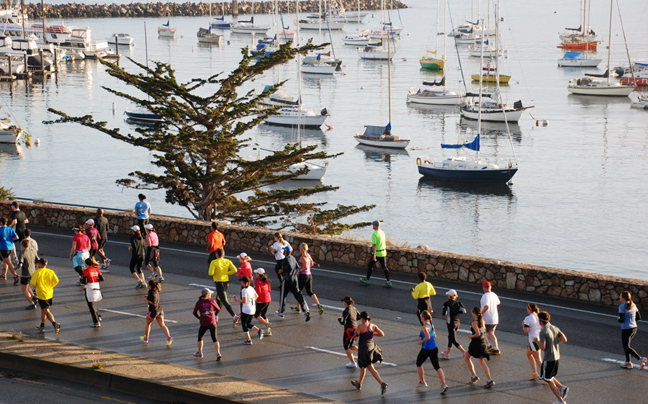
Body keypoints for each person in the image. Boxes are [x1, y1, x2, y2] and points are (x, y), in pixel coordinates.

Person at [535, 311, 569, 403]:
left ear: (540, 321)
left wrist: (536, 341)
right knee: (550, 376)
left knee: (548, 380)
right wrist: (554, 343)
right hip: (557, 357)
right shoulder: (555, 328)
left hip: (549, 359)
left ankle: (560, 400)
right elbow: (564, 339)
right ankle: (562, 387)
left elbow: (542, 347)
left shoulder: (543, 332)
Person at [350, 311, 388, 395]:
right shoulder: (373, 326)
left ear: (362, 318)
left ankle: (382, 383)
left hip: (364, 348)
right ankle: (359, 384)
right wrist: (372, 334)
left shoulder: (360, 327)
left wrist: (354, 335)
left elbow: (356, 338)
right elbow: (382, 334)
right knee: (363, 367)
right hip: (371, 346)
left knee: (370, 367)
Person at [416, 310, 448, 394]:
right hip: (434, 348)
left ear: (422, 317)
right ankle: (444, 384)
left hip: (426, 349)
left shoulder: (424, 327)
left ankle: (423, 382)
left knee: (418, 363)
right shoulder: (430, 324)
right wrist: (422, 335)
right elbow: (432, 335)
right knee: (437, 366)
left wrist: (421, 341)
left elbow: (428, 337)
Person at [276, 246, 310, 321]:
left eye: (284, 251)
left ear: (286, 252)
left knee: (283, 296)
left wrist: (282, 270)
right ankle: (305, 310)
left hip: (287, 280)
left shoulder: (285, 259)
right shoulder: (293, 258)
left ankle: (281, 312)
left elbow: (289, 267)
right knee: (298, 294)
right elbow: (297, 266)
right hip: (294, 280)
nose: (283, 252)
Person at [207, 248, 239, 326]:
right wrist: (226, 273)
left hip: (219, 282)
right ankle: (216, 315)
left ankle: (234, 316)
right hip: (226, 282)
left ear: (217, 254)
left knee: (224, 300)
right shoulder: (228, 261)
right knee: (219, 298)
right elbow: (235, 270)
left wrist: (217, 273)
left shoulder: (214, 262)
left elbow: (210, 273)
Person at [465, 307, 494, 389]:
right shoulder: (482, 321)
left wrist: (471, 336)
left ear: (474, 313)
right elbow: (483, 333)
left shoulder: (474, 323)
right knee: (482, 360)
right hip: (482, 342)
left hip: (475, 343)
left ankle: (474, 376)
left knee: (467, 358)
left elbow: (477, 334)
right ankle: (489, 379)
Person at [31, 258, 61, 335]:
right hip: (49, 293)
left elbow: (32, 283)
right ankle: (42, 325)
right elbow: (56, 280)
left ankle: (55, 324)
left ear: (40, 264)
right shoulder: (50, 271)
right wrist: (51, 286)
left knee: (46, 311)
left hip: (41, 294)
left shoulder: (37, 272)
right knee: (43, 310)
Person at [618, 291, 647, 370]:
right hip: (634, 328)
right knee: (627, 345)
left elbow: (621, 319)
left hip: (626, 329)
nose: (619, 297)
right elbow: (638, 317)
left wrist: (618, 319)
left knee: (626, 346)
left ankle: (640, 359)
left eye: (620, 296)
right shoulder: (633, 305)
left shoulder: (621, 306)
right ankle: (628, 362)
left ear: (623, 298)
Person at [293, 243, 324, 315]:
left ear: (301, 249)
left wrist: (299, 271)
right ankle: (318, 305)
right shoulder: (308, 255)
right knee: (310, 292)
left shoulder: (303, 257)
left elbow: (305, 267)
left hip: (303, 276)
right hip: (309, 275)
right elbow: (311, 264)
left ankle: (298, 308)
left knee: (298, 292)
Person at [359, 220, 391, 288]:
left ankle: (367, 280)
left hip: (377, 253)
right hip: (383, 252)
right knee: (384, 267)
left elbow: (374, 245)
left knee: (370, 265)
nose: (372, 226)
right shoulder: (382, 232)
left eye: (373, 225)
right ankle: (388, 281)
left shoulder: (375, 234)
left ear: (375, 226)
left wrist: (374, 255)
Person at [192, 288, 222, 361]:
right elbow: (218, 308)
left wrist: (200, 317)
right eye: (210, 294)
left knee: (200, 337)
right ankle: (218, 353)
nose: (211, 295)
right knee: (215, 338)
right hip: (212, 322)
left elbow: (194, 312)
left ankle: (200, 353)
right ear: (207, 295)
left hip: (203, 323)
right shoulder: (211, 301)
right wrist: (211, 311)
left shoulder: (199, 302)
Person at [140, 280, 173, 346]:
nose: (147, 285)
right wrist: (148, 298)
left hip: (153, 311)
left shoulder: (151, 292)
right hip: (160, 310)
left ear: (150, 286)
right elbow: (154, 299)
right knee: (163, 325)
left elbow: (154, 302)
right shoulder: (156, 291)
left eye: (148, 284)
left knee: (148, 324)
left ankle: (146, 338)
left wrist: (147, 300)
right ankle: (169, 337)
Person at [233, 276, 264, 345]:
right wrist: (251, 301)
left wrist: (237, 300)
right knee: (248, 324)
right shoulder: (251, 288)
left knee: (244, 325)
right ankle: (259, 331)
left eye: (242, 282)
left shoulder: (244, 290)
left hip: (246, 310)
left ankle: (249, 340)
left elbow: (244, 300)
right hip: (253, 309)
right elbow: (256, 296)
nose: (241, 283)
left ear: (244, 283)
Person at [441, 289, 467, 360]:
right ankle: (447, 354)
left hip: (450, 324)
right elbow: (464, 311)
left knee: (453, 340)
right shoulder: (458, 303)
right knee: (450, 338)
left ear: (449, 296)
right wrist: (457, 312)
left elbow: (444, 314)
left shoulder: (446, 304)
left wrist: (446, 315)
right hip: (457, 323)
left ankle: (464, 352)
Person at [480, 281, 501, 355]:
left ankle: (488, 346)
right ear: (490, 287)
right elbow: (498, 302)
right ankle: (496, 348)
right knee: (491, 333)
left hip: (487, 318)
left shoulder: (485, 296)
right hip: (495, 318)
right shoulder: (494, 295)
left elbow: (487, 306)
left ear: (484, 288)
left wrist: (480, 313)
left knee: (482, 332)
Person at [339, 296, 360, 368]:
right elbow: (359, 316)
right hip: (355, 329)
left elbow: (343, 321)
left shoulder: (346, 310)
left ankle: (353, 363)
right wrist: (353, 320)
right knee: (350, 345)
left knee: (346, 347)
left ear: (346, 302)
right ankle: (363, 353)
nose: (343, 303)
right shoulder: (354, 308)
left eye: (343, 301)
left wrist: (339, 319)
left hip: (348, 330)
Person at [523, 303, 543, 379]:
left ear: (530, 309)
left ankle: (548, 377)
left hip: (533, 341)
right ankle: (535, 373)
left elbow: (526, 330)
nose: (527, 311)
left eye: (527, 309)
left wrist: (523, 324)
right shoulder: (538, 316)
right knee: (528, 354)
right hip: (538, 339)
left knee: (538, 360)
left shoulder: (528, 318)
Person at [82, 258, 103, 328]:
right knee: (92, 304)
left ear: (86, 264)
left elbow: (84, 281)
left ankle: (96, 322)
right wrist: (95, 279)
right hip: (96, 286)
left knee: (90, 305)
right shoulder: (96, 270)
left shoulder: (86, 271)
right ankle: (98, 316)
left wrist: (80, 279)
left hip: (89, 288)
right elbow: (102, 278)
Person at [18, 239, 38, 310]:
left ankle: (32, 304)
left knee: (24, 290)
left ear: (22, 245)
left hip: (25, 274)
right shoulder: (33, 252)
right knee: (27, 286)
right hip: (32, 273)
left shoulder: (22, 253)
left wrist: (14, 268)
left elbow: (20, 264)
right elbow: (37, 261)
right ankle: (33, 297)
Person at [253, 268, 272, 336]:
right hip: (268, 299)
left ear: (258, 274)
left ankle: (267, 324)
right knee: (264, 315)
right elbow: (269, 290)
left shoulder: (257, 282)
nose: (256, 274)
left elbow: (258, 292)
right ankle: (268, 331)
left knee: (257, 315)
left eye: (256, 273)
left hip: (261, 300)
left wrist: (253, 298)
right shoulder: (267, 280)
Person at [0, 217, 19, 282]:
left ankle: (15, 275)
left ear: (1, 223)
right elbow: (16, 237)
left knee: (8, 262)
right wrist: (10, 240)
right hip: (10, 247)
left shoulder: (0, 230)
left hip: (3, 248)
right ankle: (4, 275)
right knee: (5, 261)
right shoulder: (10, 229)